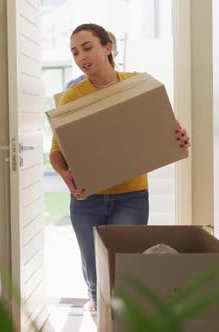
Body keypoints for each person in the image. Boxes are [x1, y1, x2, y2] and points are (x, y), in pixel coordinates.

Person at [49, 23, 191, 312]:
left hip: (131, 196)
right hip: (88, 199)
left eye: (87, 47)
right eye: (75, 52)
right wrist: (66, 176)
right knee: (93, 270)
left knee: (125, 267)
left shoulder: (137, 85)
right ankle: (99, 312)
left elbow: (166, 129)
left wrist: (179, 137)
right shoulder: (73, 96)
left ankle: (121, 320)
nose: (81, 57)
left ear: (108, 47)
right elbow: (56, 153)